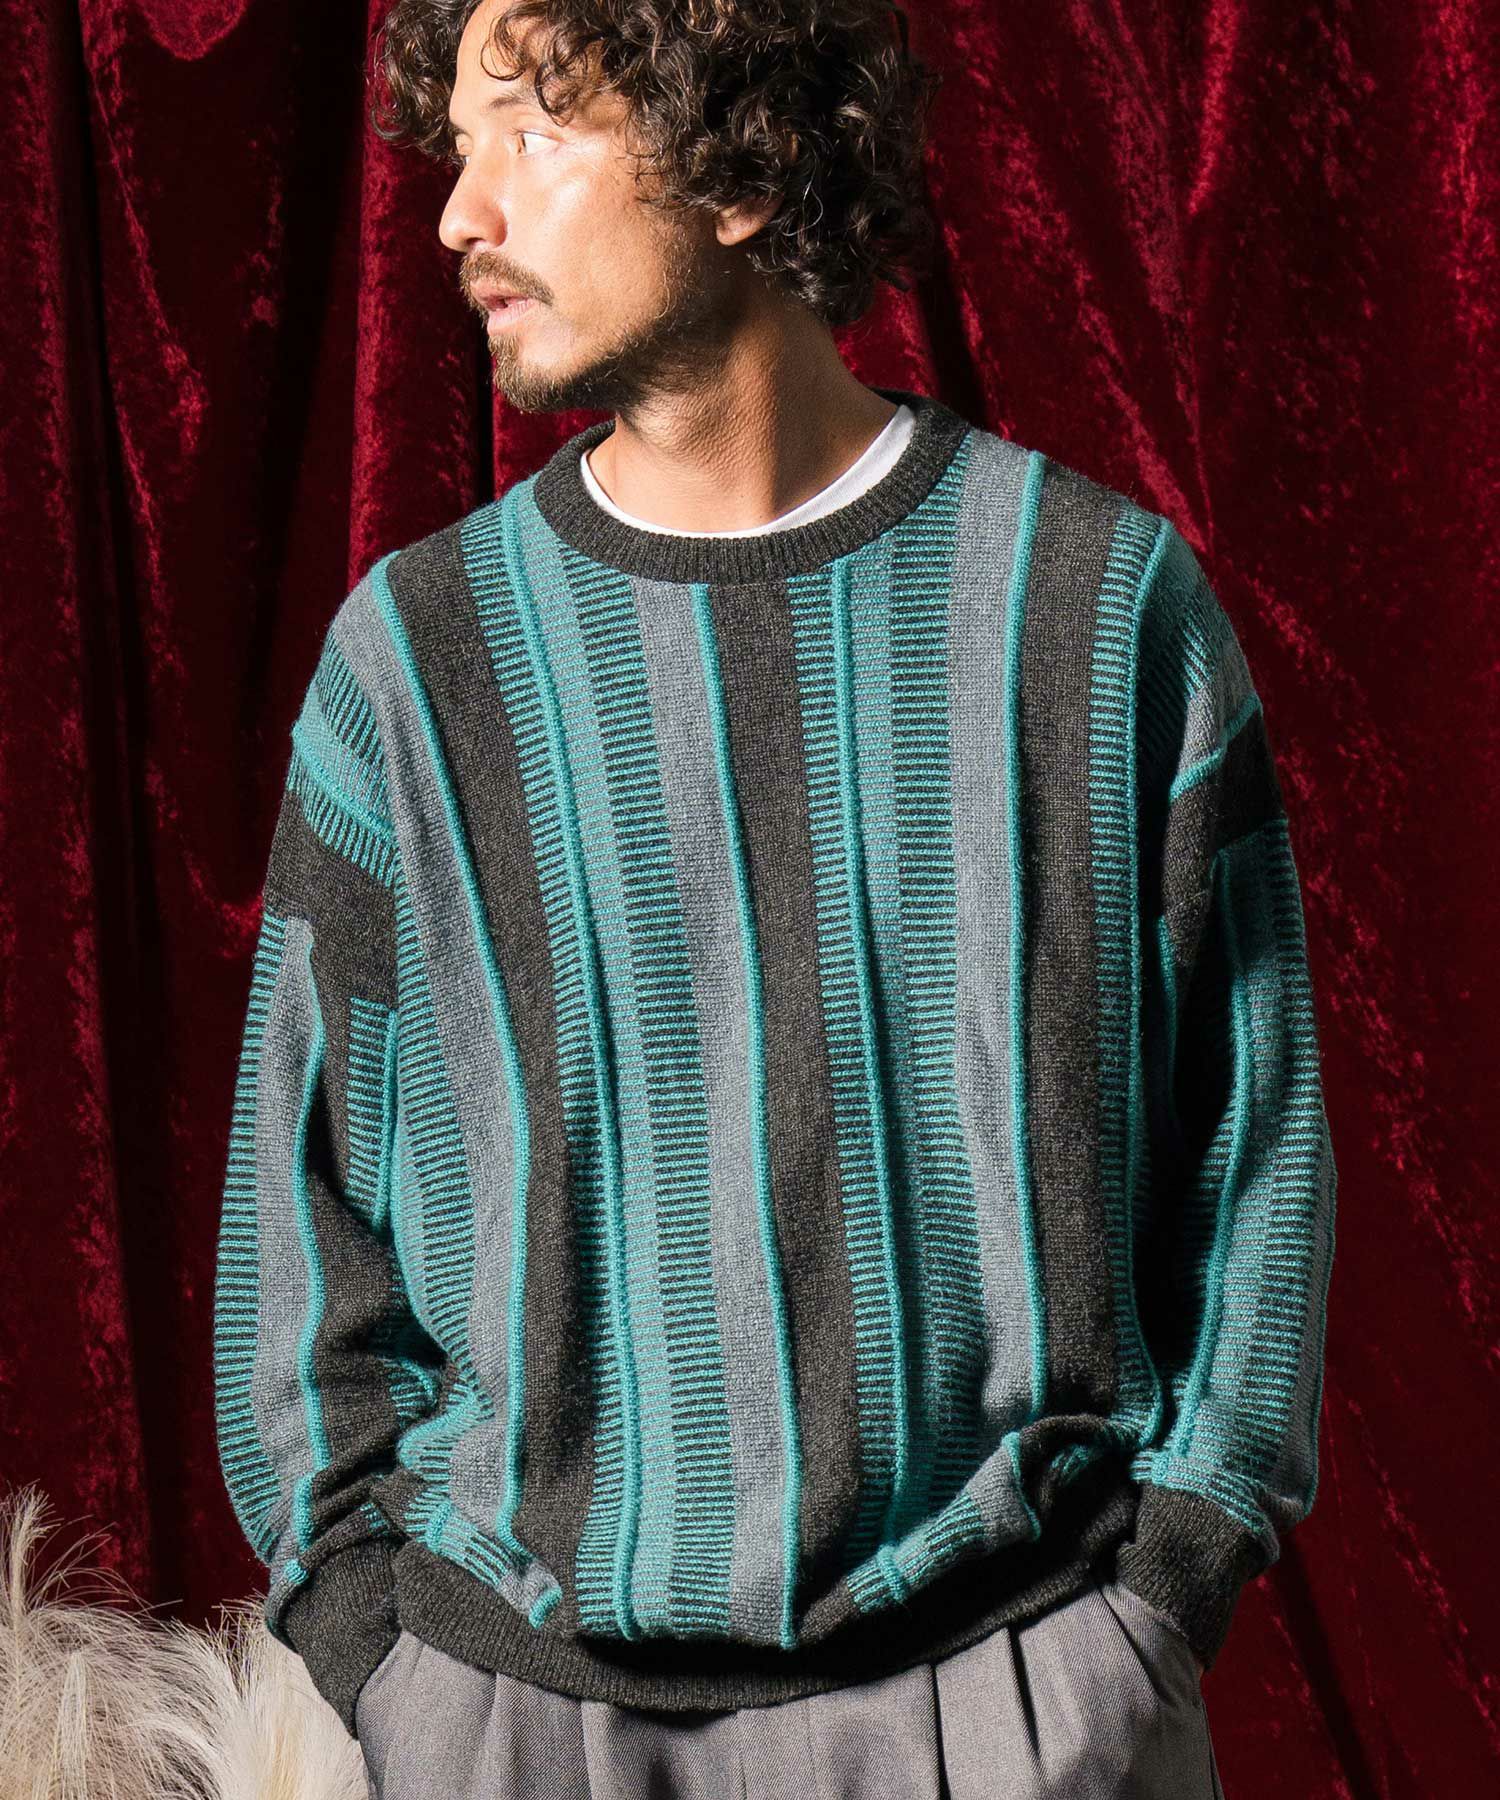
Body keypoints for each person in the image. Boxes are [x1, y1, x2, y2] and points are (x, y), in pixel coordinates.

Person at [210, 1, 1338, 1795]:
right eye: (462, 140)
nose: (457, 212)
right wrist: (388, 1660)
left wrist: (1153, 1607)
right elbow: (301, 1231)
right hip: (525, 1722)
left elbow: (1256, 1151)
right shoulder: (413, 666)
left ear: (736, 161)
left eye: (535, 131)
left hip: (1024, 1695)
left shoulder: (1095, 607)